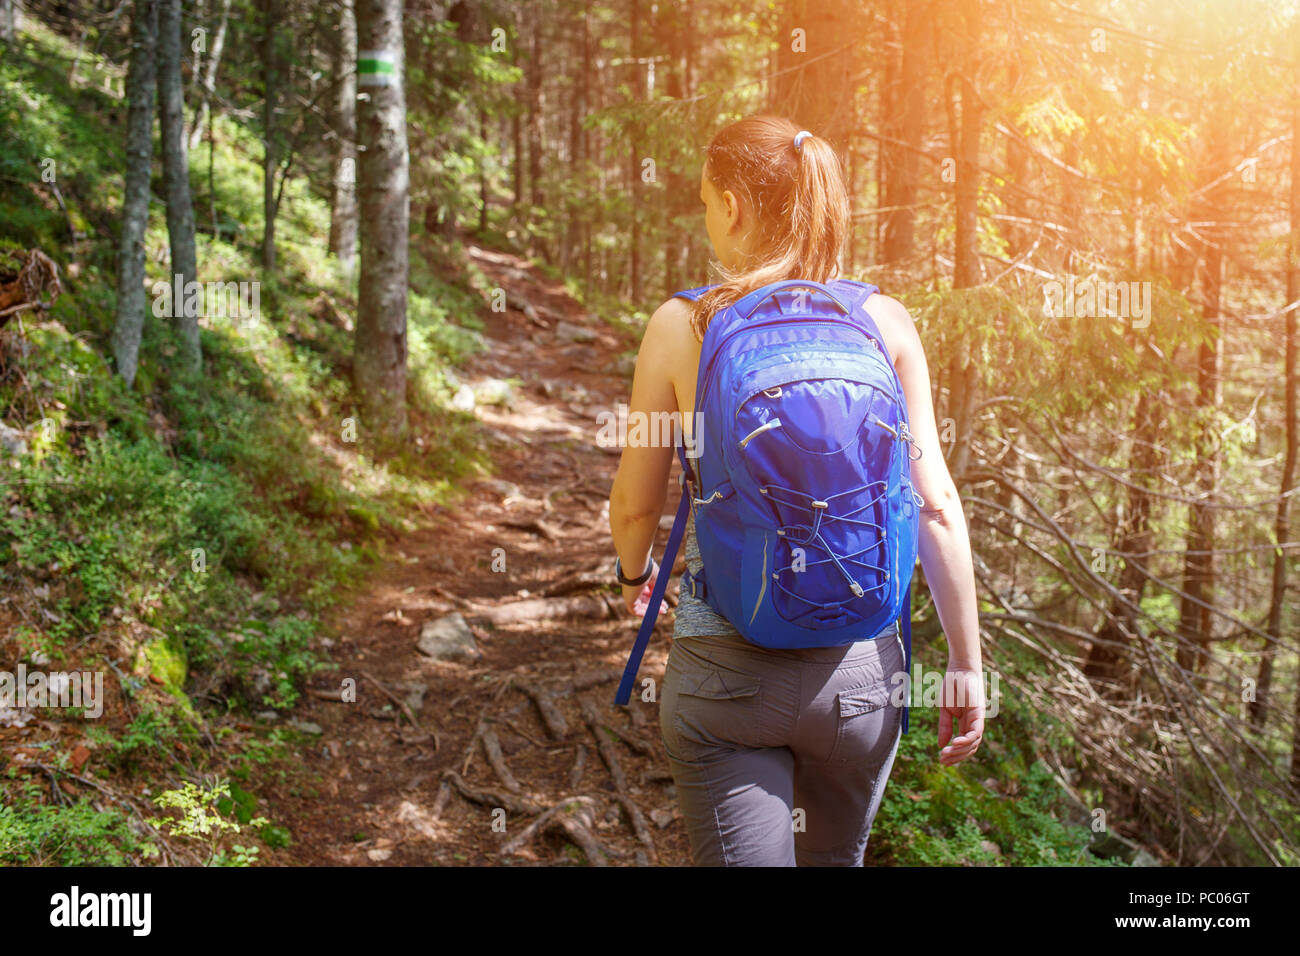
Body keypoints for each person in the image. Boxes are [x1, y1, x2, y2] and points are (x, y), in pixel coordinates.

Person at [607, 114, 984, 866]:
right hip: (861, 680)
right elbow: (937, 506)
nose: (708, 216)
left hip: (727, 680)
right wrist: (966, 668)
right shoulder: (886, 323)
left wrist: (634, 573)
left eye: (709, 200)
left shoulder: (683, 324)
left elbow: (637, 504)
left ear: (734, 209)